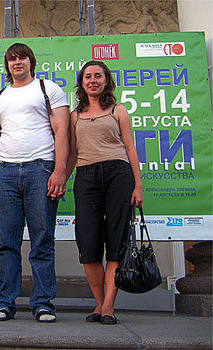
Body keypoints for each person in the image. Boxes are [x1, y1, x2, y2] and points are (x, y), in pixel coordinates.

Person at [0, 43, 69, 322]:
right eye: (12, 59)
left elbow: (62, 132)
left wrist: (59, 172)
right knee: (6, 242)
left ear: (31, 61)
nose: (17, 62)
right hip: (4, 172)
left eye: (22, 58)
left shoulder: (48, 89)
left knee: (42, 241)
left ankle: (43, 303)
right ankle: (4, 302)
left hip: (40, 169)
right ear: (6, 65)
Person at [66, 60, 143, 325]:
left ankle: (108, 305)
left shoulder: (118, 110)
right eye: (88, 76)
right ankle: (98, 302)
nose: (93, 80)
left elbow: (130, 148)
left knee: (116, 240)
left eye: (98, 76)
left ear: (106, 80)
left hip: (118, 175)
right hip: (86, 177)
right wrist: (60, 179)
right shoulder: (74, 115)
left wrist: (138, 185)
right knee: (88, 243)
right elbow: (72, 153)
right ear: (82, 82)